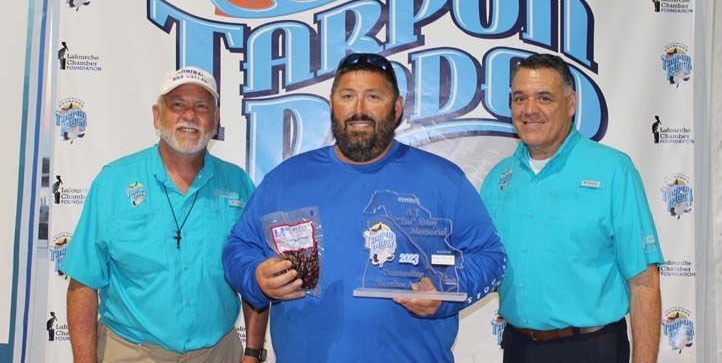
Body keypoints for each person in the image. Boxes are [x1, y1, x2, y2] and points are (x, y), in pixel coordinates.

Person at [223, 52, 505, 362]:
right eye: (347, 96)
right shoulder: (285, 179)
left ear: (396, 108)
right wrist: (256, 278)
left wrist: (446, 292)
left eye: (373, 97)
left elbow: (491, 258)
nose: (359, 109)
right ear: (332, 105)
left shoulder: (442, 180)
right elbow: (238, 247)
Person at [61, 67, 268, 363]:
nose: (190, 115)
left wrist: (253, 352)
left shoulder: (239, 186)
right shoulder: (113, 182)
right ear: (157, 116)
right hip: (130, 351)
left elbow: (254, 277)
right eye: (178, 105)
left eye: (201, 106)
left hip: (218, 353)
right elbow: (82, 282)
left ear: (216, 119)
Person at [480, 53, 663, 363]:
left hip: (592, 348)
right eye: (519, 98)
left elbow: (644, 282)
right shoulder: (498, 179)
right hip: (518, 348)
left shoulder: (614, 171)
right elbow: (478, 262)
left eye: (544, 98)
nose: (529, 110)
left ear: (571, 104)